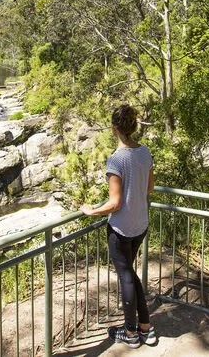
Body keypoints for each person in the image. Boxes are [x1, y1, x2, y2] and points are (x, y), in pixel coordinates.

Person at [81, 104, 157, 348]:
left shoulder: (116, 160)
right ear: (133, 127)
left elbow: (114, 203)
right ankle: (145, 327)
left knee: (126, 276)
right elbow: (149, 188)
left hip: (122, 229)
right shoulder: (145, 153)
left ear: (114, 128)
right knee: (131, 275)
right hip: (140, 224)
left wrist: (92, 210)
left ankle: (131, 333)